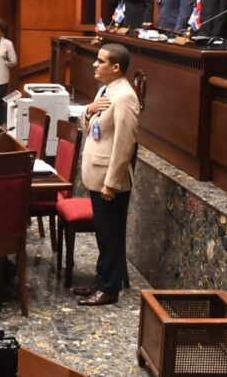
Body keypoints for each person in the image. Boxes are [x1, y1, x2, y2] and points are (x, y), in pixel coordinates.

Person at [74, 43, 139, 307]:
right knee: (103, 233)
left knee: (111, 235)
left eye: (100, 61)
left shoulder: (125, 96)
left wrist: (112, 183)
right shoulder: (105, 89)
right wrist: (87, 110)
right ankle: (101, 280)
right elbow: (93, 126)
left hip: (109, 181)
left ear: (116, 67)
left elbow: (125, 143)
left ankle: (110, 289)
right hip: (97, 175)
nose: (94, 64)